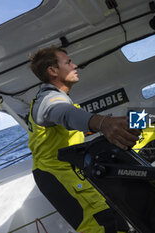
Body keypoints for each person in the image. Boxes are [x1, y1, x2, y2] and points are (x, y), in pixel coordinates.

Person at [27, 46, 140, 233]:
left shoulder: (52, 98)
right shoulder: (49, 100)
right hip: (59, 177)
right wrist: (103, 123)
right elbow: (66, 114)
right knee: (103, 226)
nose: (75, 65)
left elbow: (67, 129)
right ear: (53, 71)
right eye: (68, 62)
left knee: (117, 222)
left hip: (71, 173)